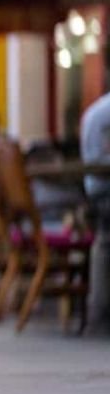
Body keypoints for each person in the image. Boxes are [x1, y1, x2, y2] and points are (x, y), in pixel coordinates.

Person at [81, 90, 110, 336]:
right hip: (105, 190)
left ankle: (98, 313)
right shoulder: (105, 113)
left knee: (103, 241)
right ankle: (100, 313)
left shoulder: (95, 110)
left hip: (94, 191)